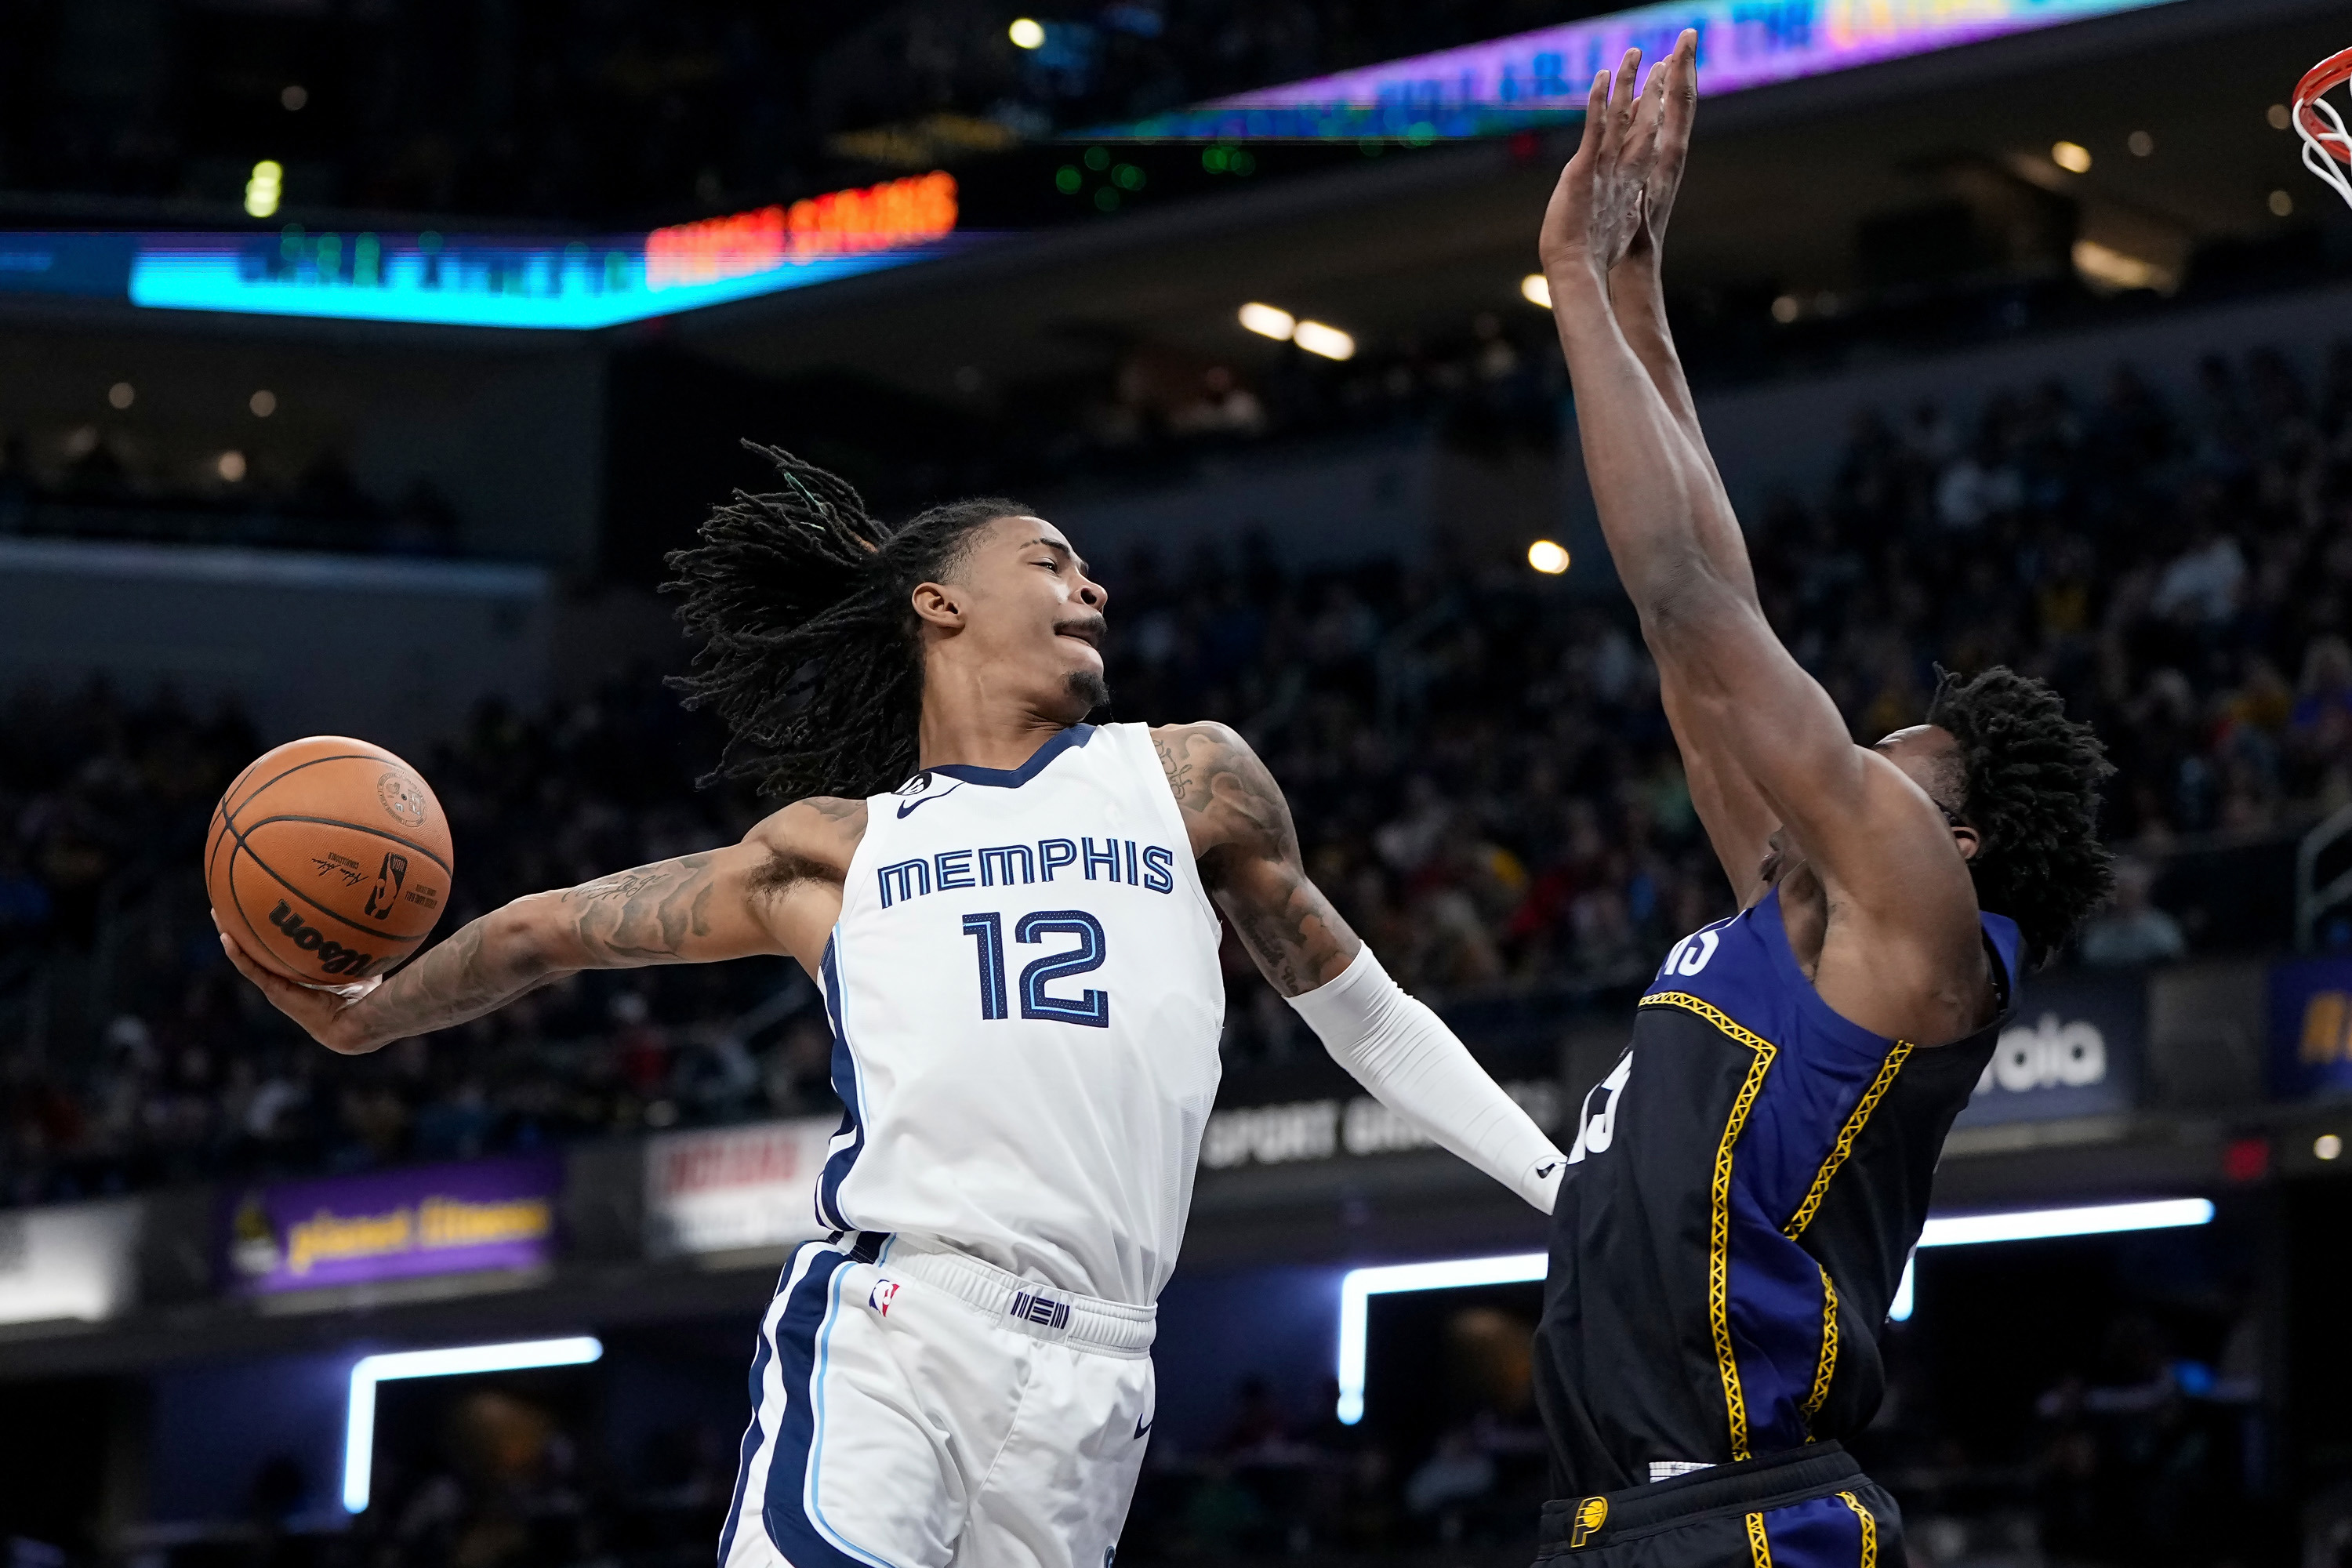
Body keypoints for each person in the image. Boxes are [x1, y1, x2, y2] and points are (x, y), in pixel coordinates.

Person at [214, 453, 1566, 1568]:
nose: (1090, 583)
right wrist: (364, 1020)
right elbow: (550, 928)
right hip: (903, 1320)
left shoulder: (1190, 780)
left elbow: (1368, 1019)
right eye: (1047, 559)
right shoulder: (832, 851)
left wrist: (1559, 1188)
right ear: (937, 602)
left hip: (1105, 1373)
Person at [1526, 36, 2114, 1566]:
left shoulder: (1924, 937)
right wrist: (1640, 291)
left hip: (1753, 1518)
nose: (1854, 751)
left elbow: (1693, 594)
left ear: (1958, 838)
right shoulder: (1789, 904)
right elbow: (1686, 617)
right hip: (1610, 1515)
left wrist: (1571, 281)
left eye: (1895, 752)